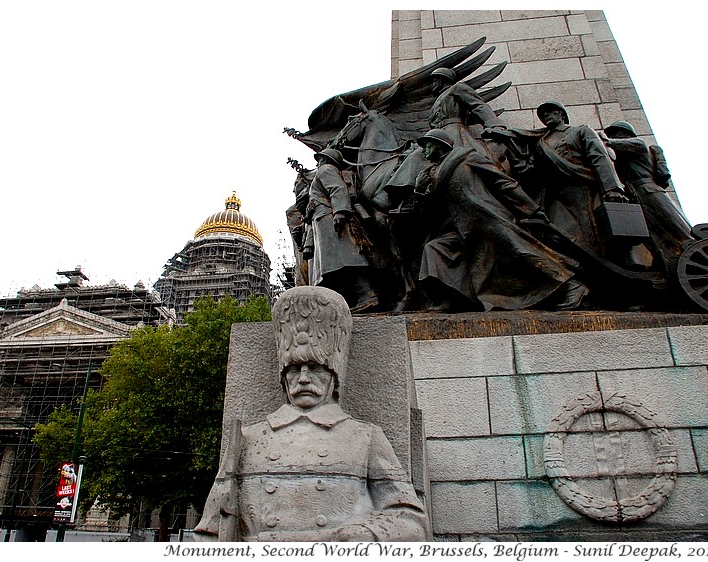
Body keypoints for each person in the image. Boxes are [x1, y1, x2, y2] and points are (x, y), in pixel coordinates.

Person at [193, 286, 430, 542]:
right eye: (294, 369)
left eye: (315, 368)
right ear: (283, 379)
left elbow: (411, 519)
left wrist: (364, 534)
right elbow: (209, 533)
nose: (304, 379)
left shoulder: (365, 437)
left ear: (333, 377)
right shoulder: (248, 438)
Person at [414, 129, 588, 311]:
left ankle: (572, 286)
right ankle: (454, 298)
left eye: (427, 144)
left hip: (489, 218)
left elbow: (504, 182)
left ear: (440, 145)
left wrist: (531, 209)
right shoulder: (432, 174)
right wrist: (419, 190)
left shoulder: (467, 158)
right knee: (435, 249)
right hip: (462, 228)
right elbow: (429, 212)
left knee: (521, 253)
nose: (424, 149)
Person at [485, 101, 628, 258]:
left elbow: (600, 158)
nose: (546, 115)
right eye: (543, 114)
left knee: (595, 233)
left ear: (562, 114)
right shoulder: (540, 142)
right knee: (559, 235)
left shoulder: (581, 131)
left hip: (585, 189)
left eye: (550, 111)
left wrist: (612, 188)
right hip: (557, 195)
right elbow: (532, 172)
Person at [601, 120, 692, 271]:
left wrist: (600, 139)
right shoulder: (622, 157)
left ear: (626, 133)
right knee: (649, 231)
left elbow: (611, 144)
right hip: (634, 193)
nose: (614, 136)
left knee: (672, 223)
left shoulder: (638, 143)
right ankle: (664, 258)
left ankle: (692, 249)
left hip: (648, 190)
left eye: (616, 133)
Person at [302, 148, 380, 312]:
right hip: (322, 223)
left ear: (325, 159)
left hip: (331, 221)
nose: (318, 162)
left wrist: (340, 212)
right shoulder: (323, 172)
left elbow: (338, 189)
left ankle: (367, 295)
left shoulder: (326, 169)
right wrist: (309, 243)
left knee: (346, 260)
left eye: (320, 158)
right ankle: (345, 302)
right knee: (335, 265)